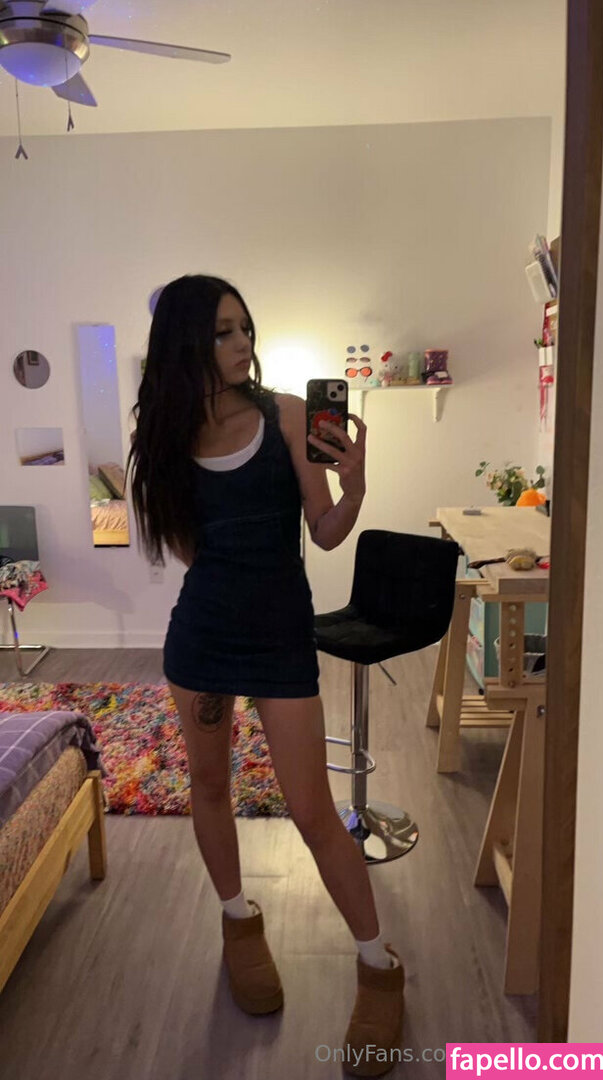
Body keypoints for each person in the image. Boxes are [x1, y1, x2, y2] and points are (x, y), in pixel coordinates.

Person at [127, 274, 404, 1078]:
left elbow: (324, 531)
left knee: (312, 810)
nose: (243, 342)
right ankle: (238, 922)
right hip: (202, 640)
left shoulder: (286, 415)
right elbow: (189, 550)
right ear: (187, 342)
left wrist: (355, 486)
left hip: (281, 640)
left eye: (245, 327)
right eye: (223, 331)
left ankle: (379, 965)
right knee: (209, 786)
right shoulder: (166, 438)